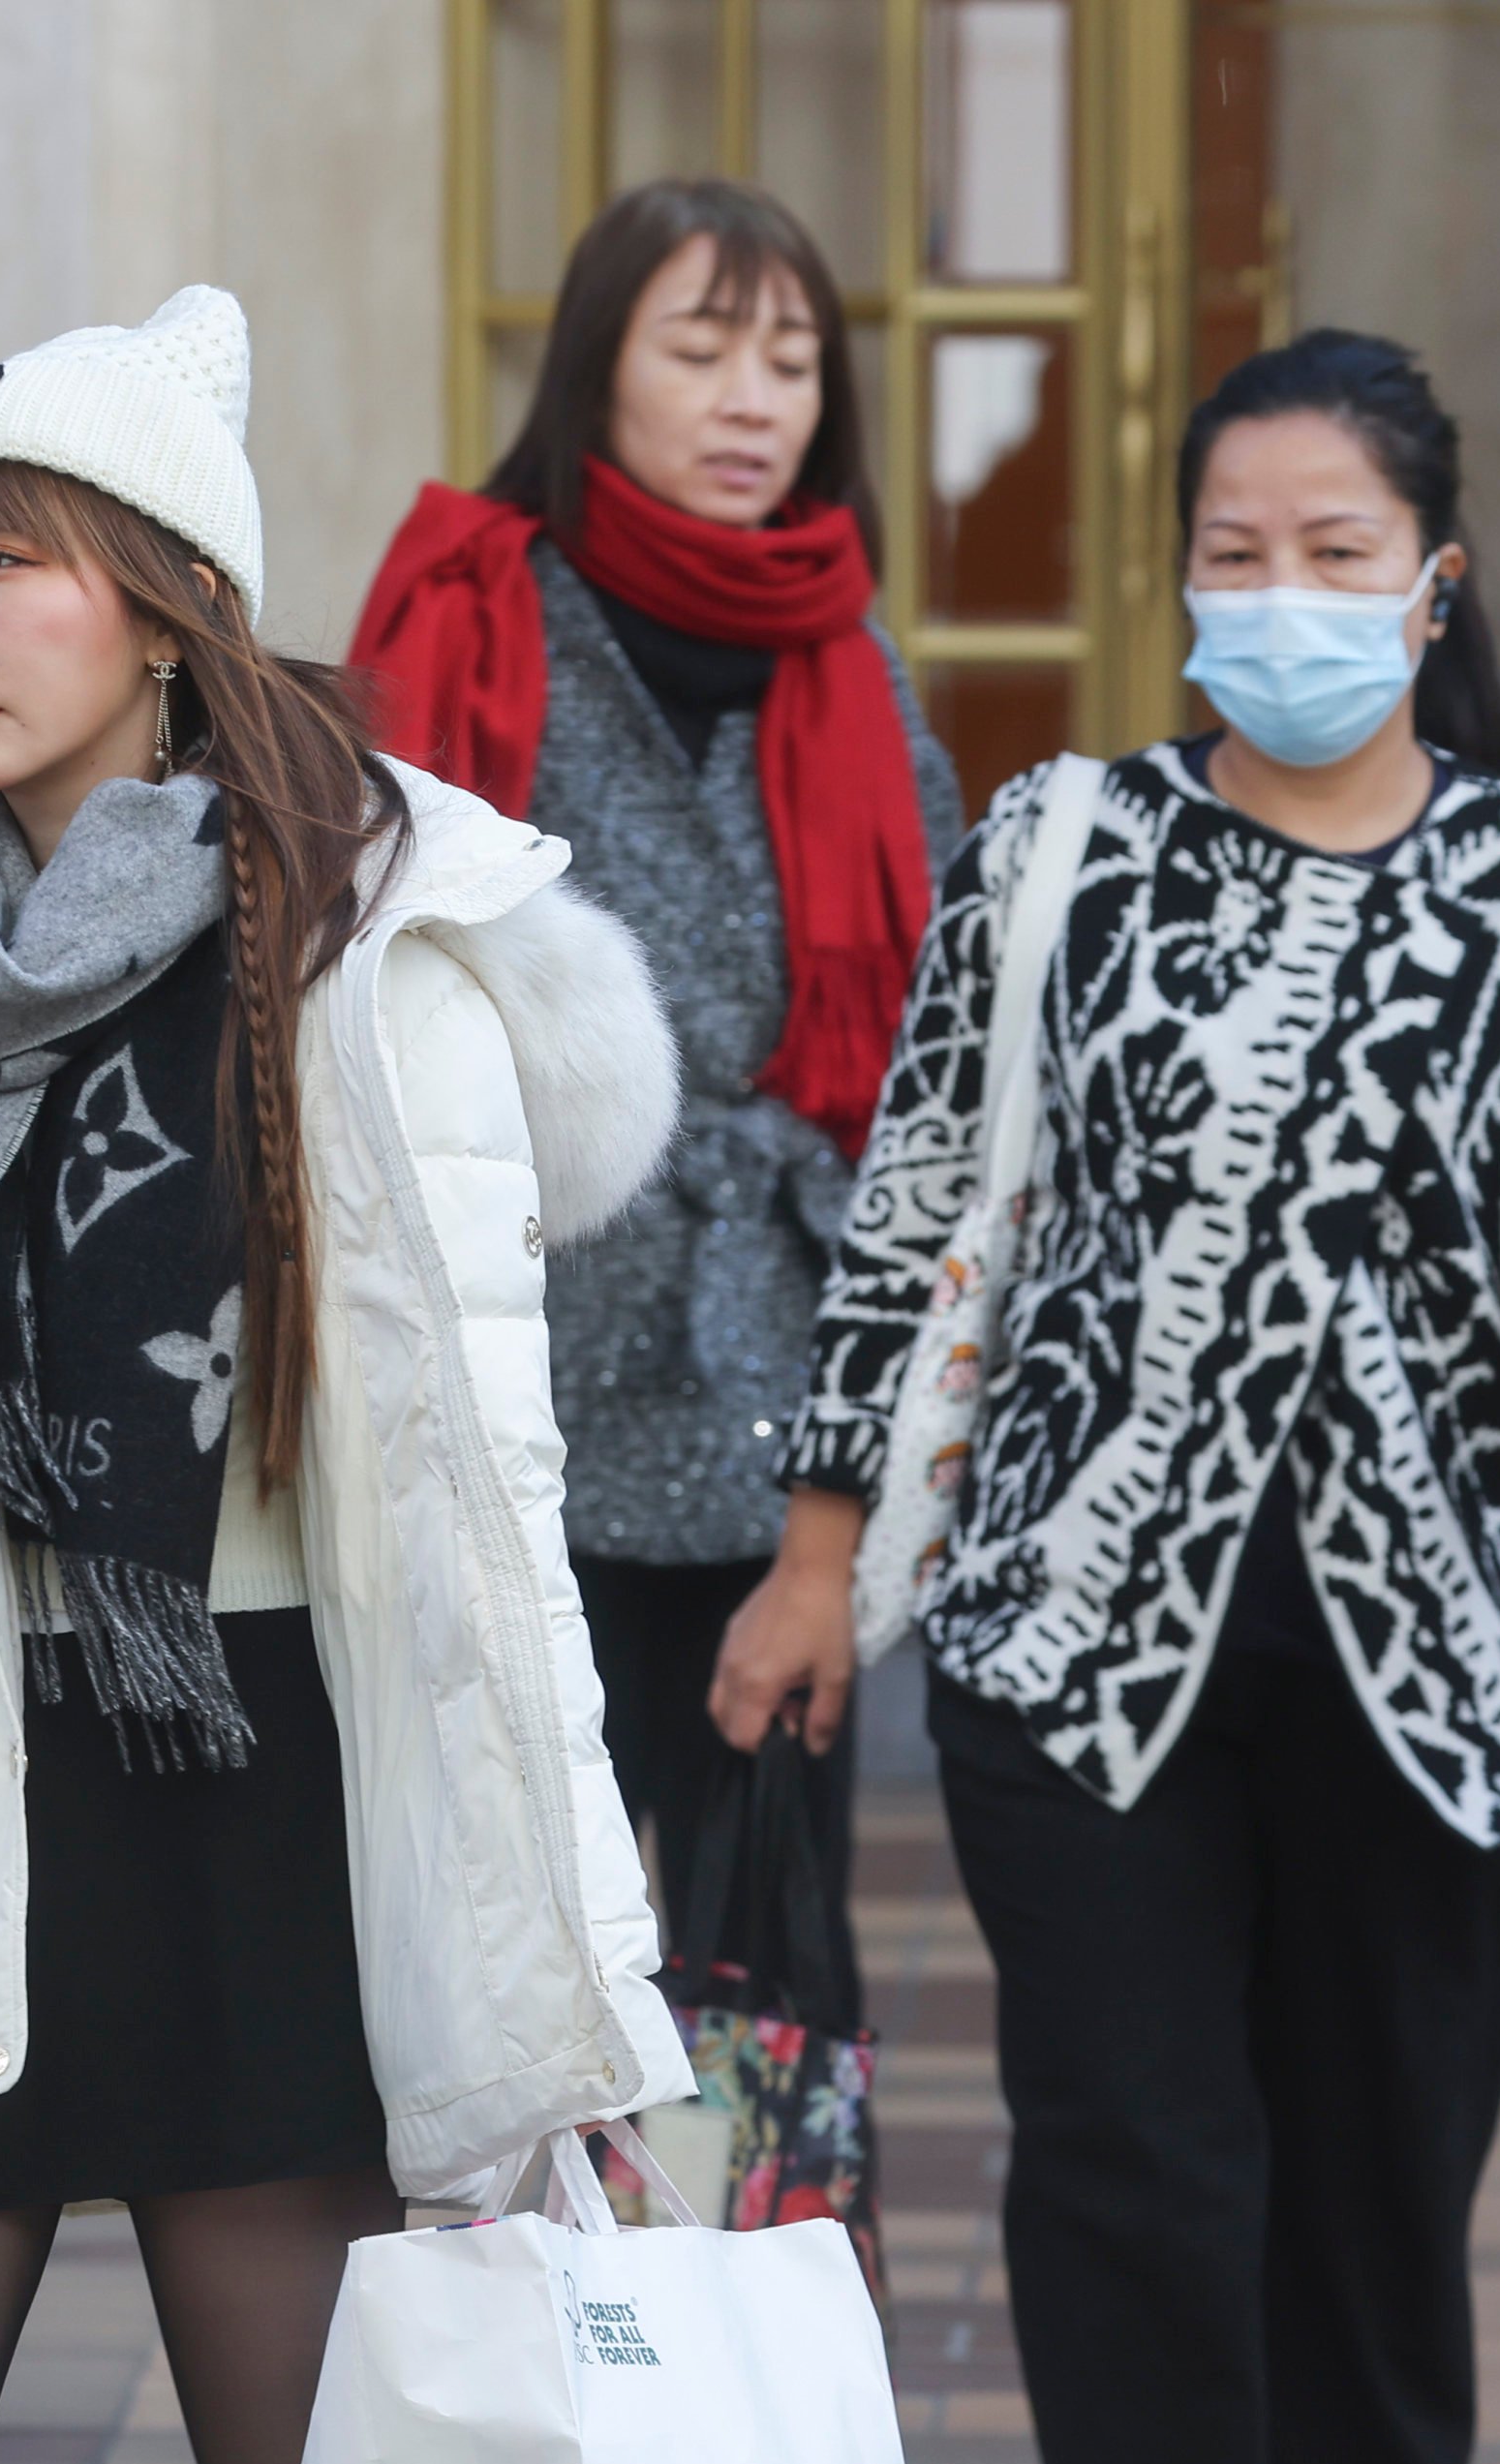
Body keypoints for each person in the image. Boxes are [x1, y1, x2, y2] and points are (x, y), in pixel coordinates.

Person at [0, 286, 696, 2464]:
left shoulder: (361, 927)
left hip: (258, 1787)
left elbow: (479, 1496)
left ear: (169, 598)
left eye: (7, 564)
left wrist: (577, 1966)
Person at [714, 329, 1500, 2464]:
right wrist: (820, 1552)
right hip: (1081, 1647)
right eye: (1233, 554)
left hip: (1438, 1663)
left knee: (1374, 2211)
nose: (1280, 597)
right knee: (1133, 2179)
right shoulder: (1058, 849)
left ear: (1432, 585)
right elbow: (921, 1208)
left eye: (1333, 554)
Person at [352, 177, 957, 2017]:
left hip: (782, 1382)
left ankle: (739, 2291)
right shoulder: (472, 612)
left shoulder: (852, 656)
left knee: (758, 1939)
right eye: (700, 348)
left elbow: (933, 1035)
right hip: (518, 1354)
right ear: (598, 369)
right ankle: (527, 2306)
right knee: (512, 1936)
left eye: (789, 359)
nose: (752, 398)